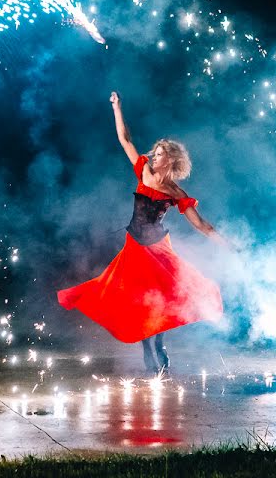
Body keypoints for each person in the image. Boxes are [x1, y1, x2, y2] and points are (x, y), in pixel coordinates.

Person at [58, 91, 224, 373]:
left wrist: (228, 244)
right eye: (154, 153)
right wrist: (117, 106)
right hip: (135, 247)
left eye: (159, 154)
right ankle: (149, 345)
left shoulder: (175, 192)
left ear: (170, 160)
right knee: (135, 298)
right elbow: (125, 139)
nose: (153, 156)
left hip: (158, 248)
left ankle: (157, 343)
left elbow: (201, 225)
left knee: (161, 297)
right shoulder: (143, 172)